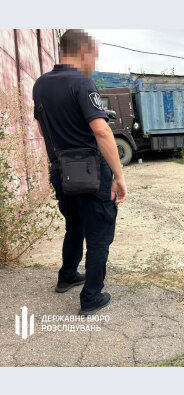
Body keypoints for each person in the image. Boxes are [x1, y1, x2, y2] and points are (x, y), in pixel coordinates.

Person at [32, 30, 127, 315]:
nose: (93, 61)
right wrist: (119, 176)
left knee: (74, 225)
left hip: (60, 170)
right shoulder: (82, 83)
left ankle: (67, 276)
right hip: (90, 172)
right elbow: (101, 130)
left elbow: (41, 126)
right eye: (94, 55)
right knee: (98, 234)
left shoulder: (40, 84)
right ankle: (91, 297)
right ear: (84, 50)